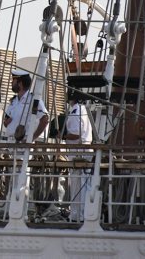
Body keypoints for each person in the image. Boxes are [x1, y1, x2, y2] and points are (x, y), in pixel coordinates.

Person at [64, 88, 93, 222]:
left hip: (78, 152)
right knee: (85, 184)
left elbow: (76, 134)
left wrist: (63, 135)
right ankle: (84, 213)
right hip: (85, 150)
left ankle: (77, 215)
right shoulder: (84, 110)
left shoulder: (76, 111)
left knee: (77, 184)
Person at [3, 69, 49, 143]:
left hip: (24, 143)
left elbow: (45, 120)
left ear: (20, 83)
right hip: (10, 142)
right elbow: (6, 122)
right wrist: (6, 123)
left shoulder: (33, 100)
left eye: (13, 80)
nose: (11, 82)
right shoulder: (14, 101)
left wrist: (32, 138)